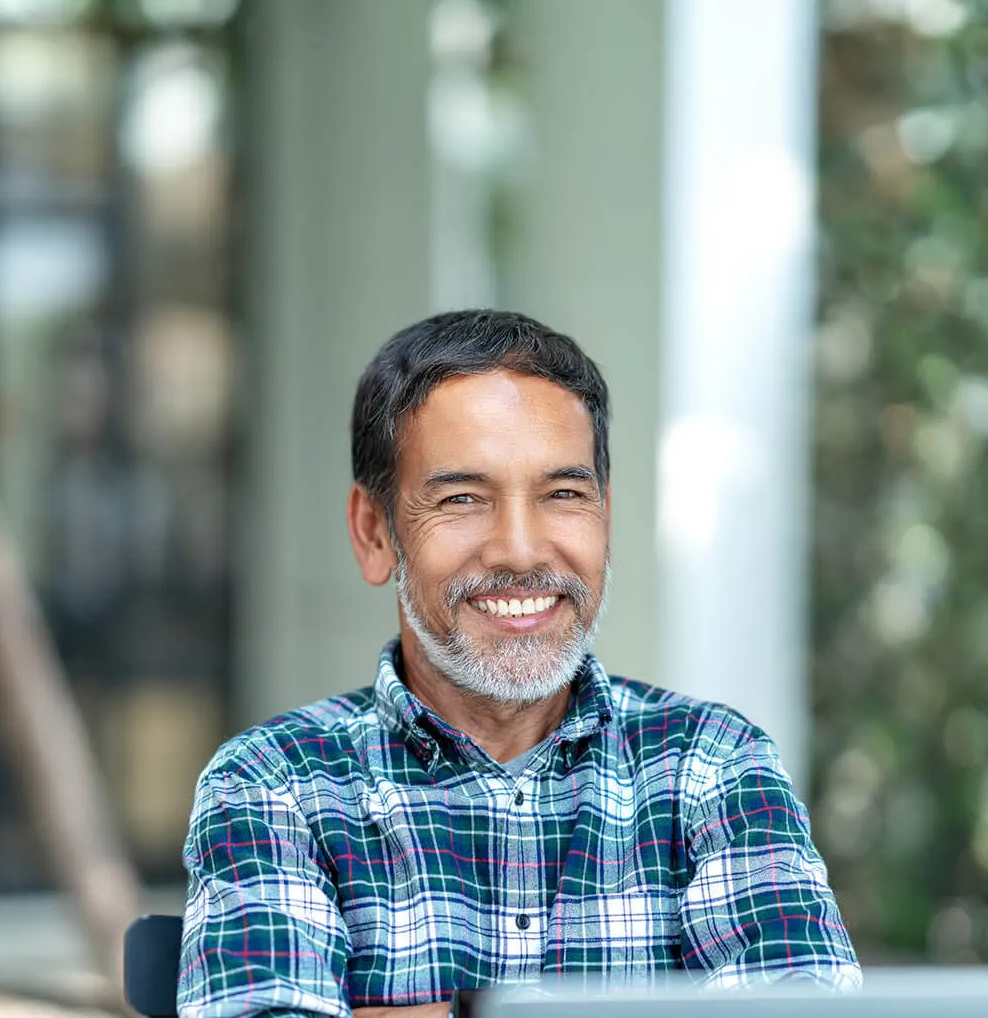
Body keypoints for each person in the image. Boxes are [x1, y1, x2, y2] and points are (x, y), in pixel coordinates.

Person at [176, 311, 859, 1017]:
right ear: (374, 532)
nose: (522, 550)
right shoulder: (275, 786)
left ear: (606, 516)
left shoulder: (713, 765)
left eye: (563, 494)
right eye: (463, 498)